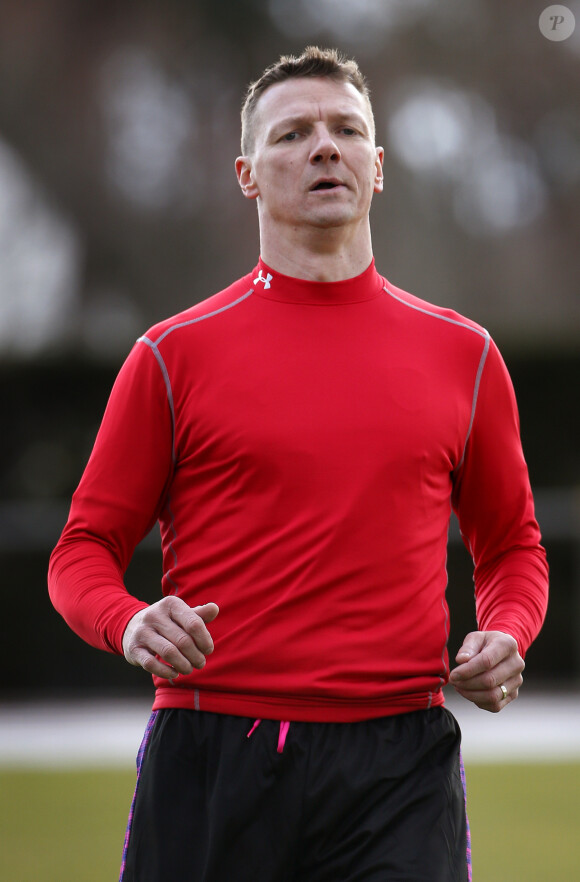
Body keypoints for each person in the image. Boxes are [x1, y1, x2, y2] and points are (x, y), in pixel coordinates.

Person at [48, 46, 548, 881]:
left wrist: (506, 628)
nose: (325, 146)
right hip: (214, 750)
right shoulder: (172, 356)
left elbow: (512, 547)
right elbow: (81, 551)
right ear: (247, 173)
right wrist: (129, 621)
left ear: (377, 166)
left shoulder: (466, 355)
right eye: (294, 134)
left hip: (402, 762)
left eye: (347, 129)